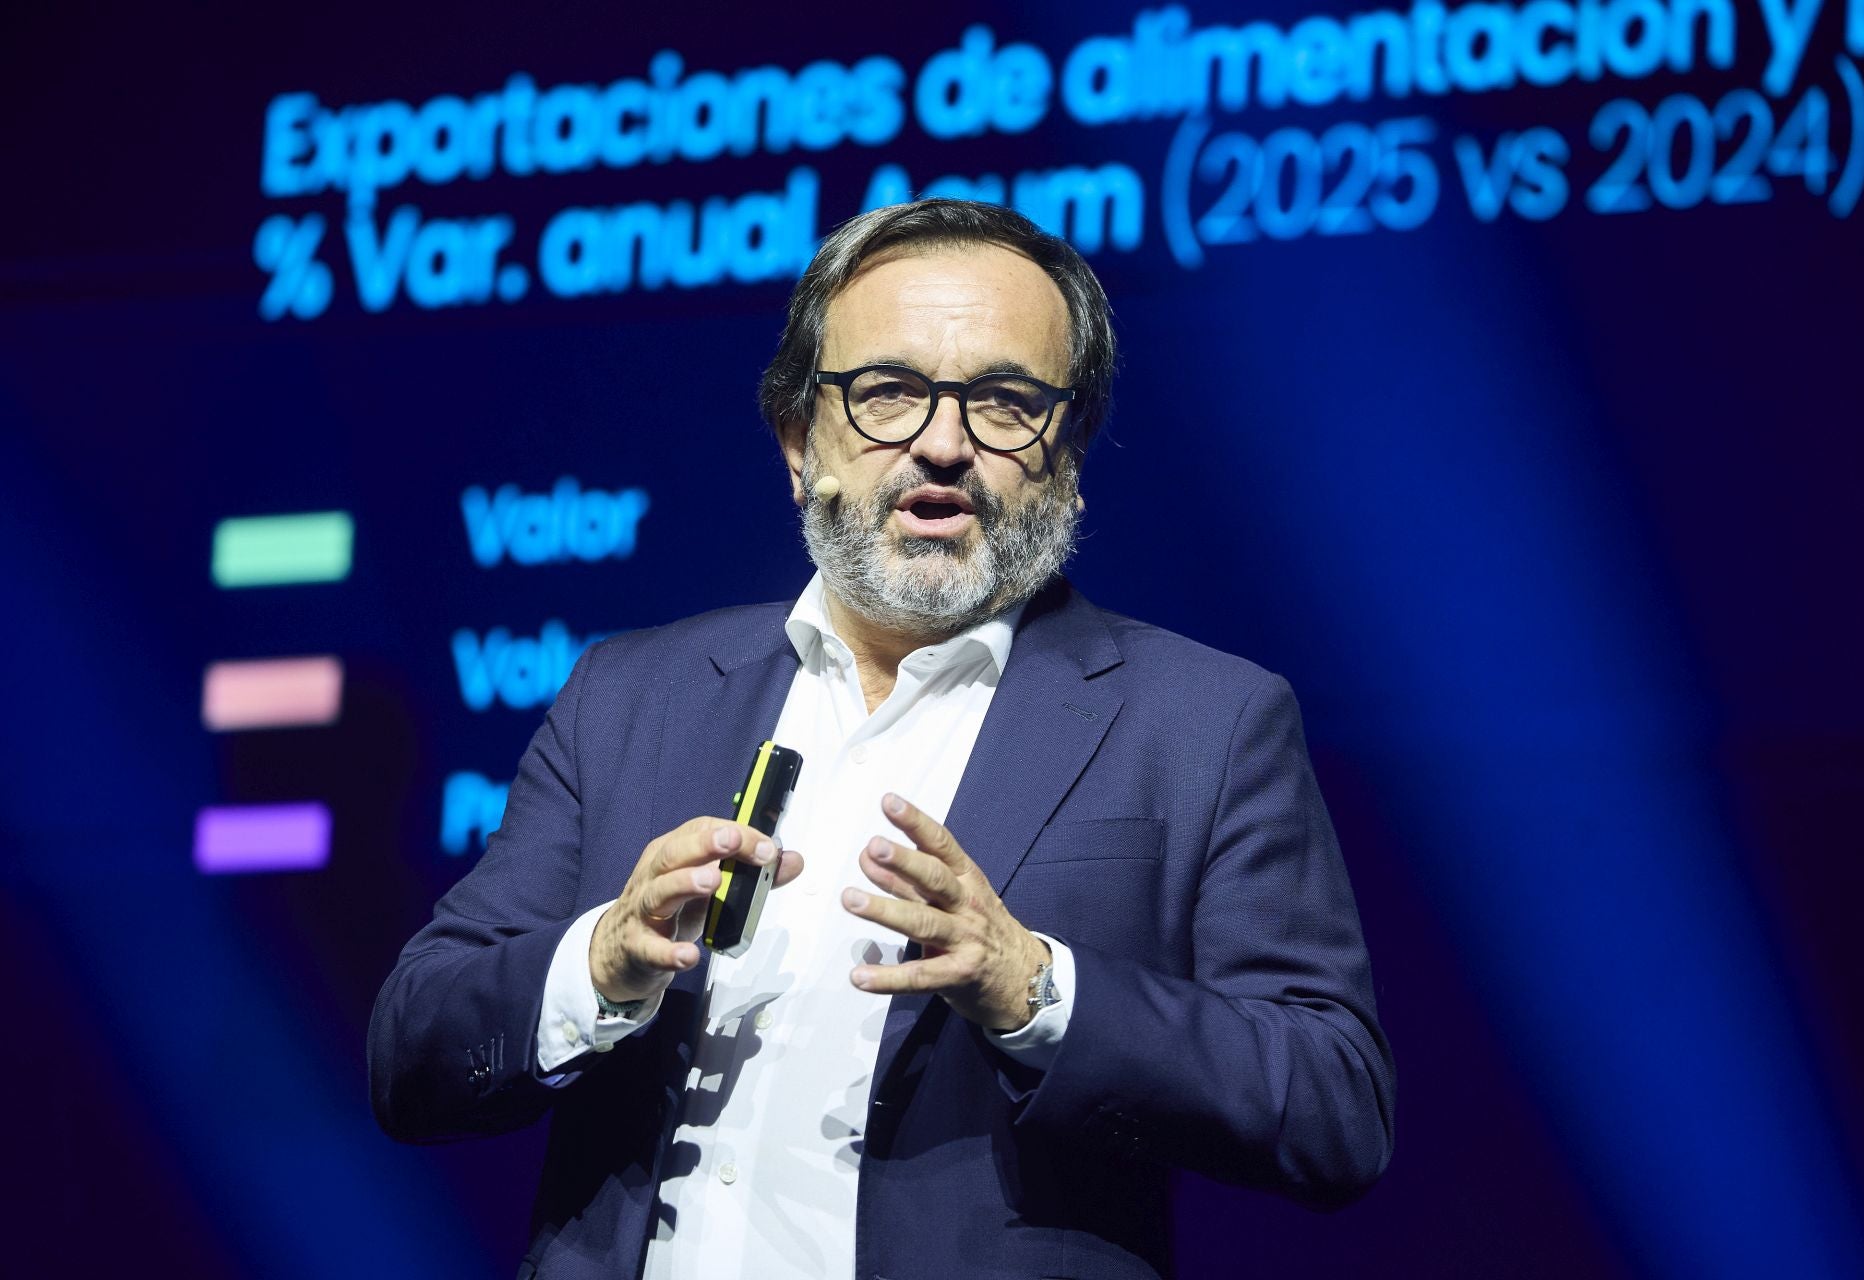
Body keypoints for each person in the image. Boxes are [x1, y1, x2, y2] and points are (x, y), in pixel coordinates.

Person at [369, 198, 1395, 1280]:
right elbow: (414, 1051)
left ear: (1071, 451)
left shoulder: (1205, 721)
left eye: (1005, 401)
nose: (943, 444)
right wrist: (598, 965)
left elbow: (1333, 1104)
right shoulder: (631, 693)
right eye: (889, 392)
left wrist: (1038, 988)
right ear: (801, 441)